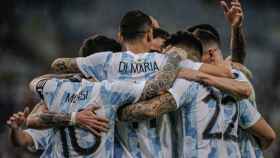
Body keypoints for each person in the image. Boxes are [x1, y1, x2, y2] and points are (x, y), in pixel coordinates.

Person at [48, 9, 240, 158]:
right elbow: (226, 72)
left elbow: (58, 65)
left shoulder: (105, 61)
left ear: (120, 37)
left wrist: (90, 86)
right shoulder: (165, 62)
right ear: (149, 35)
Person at [118, 31, 276, 158]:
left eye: (166, 55)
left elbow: (150, 110)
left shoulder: (187, 84)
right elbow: (268, 135)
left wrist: (114, 111)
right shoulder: (233, 89)